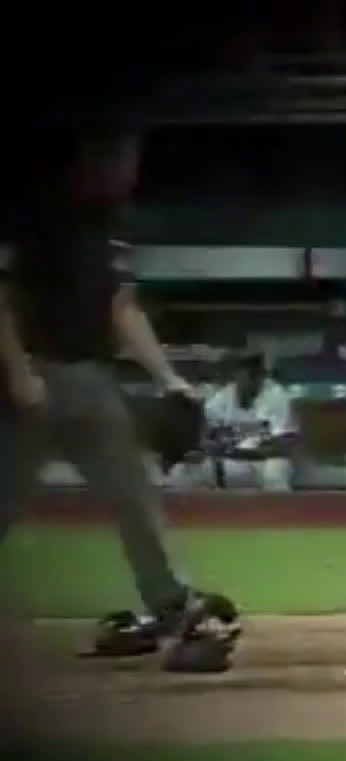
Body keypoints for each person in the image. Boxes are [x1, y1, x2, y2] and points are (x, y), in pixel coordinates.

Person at [0, 127, 238, 672]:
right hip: (34, 377)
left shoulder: (110, 228)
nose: (129, 169)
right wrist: (18, 374)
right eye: (121, 156)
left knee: (133, 492)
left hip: (93, 380)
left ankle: (172, 604)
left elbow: (122, 308)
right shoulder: (37, 215)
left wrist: (168, 378)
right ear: (91, 157)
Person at [168, 352, 299, 492]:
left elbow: (284, 447)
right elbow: (206, 440)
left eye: (256, 374)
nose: (252, 379)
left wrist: (237, 451)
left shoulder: (277, 396)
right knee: (181, 472)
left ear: (262, 375)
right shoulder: (221, 399)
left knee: (274, 473)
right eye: (245, 373)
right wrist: (201, 452)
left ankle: (277, 513)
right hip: (230, 462)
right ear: (235, 374)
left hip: (264, 463)